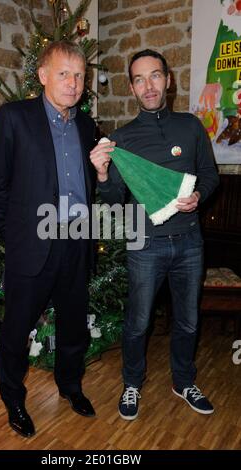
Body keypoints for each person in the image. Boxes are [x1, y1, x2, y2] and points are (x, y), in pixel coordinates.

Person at [90, 49, 219, 421]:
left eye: (155, 76)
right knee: (138, 322)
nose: (149, 85)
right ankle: (132, 383)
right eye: (140, 79)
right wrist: (101, 174)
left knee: (188, 320)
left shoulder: (191, 127)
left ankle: (183, 380)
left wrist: (199, 195)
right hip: (144, 245)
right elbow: (114, 198)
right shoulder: (121, 139)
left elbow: (209, 175)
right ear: (131, 87)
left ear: (168, 79)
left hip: (190, 243)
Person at [0, 40, 97, 438]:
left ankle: (70, 386)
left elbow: (91, 184)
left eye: (80, 75)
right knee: (17, 328)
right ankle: (13, 399)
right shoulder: (15, 117)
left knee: (74, 328)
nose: (73, 82)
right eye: (64, 73)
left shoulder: (86, 124)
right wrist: (14, 235)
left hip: (76, 242)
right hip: (32, 245)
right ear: (43, 75)